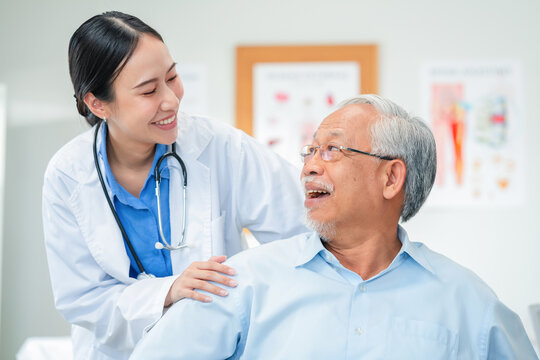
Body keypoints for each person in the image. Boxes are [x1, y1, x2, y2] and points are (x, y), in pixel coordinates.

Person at [131, 94, 537, 359]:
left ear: (391, 178)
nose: (309, 165)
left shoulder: (468, 300)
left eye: (332, 150)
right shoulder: (242, 282)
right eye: (310, 150)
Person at [41, 11, 307, 360]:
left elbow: (303, 227)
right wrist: (167, 291)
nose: (171, 99)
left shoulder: (219, 146)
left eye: (173, 77)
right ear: (97, 103)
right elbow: (83, 299)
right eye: (149, 90)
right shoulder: (68, 176)